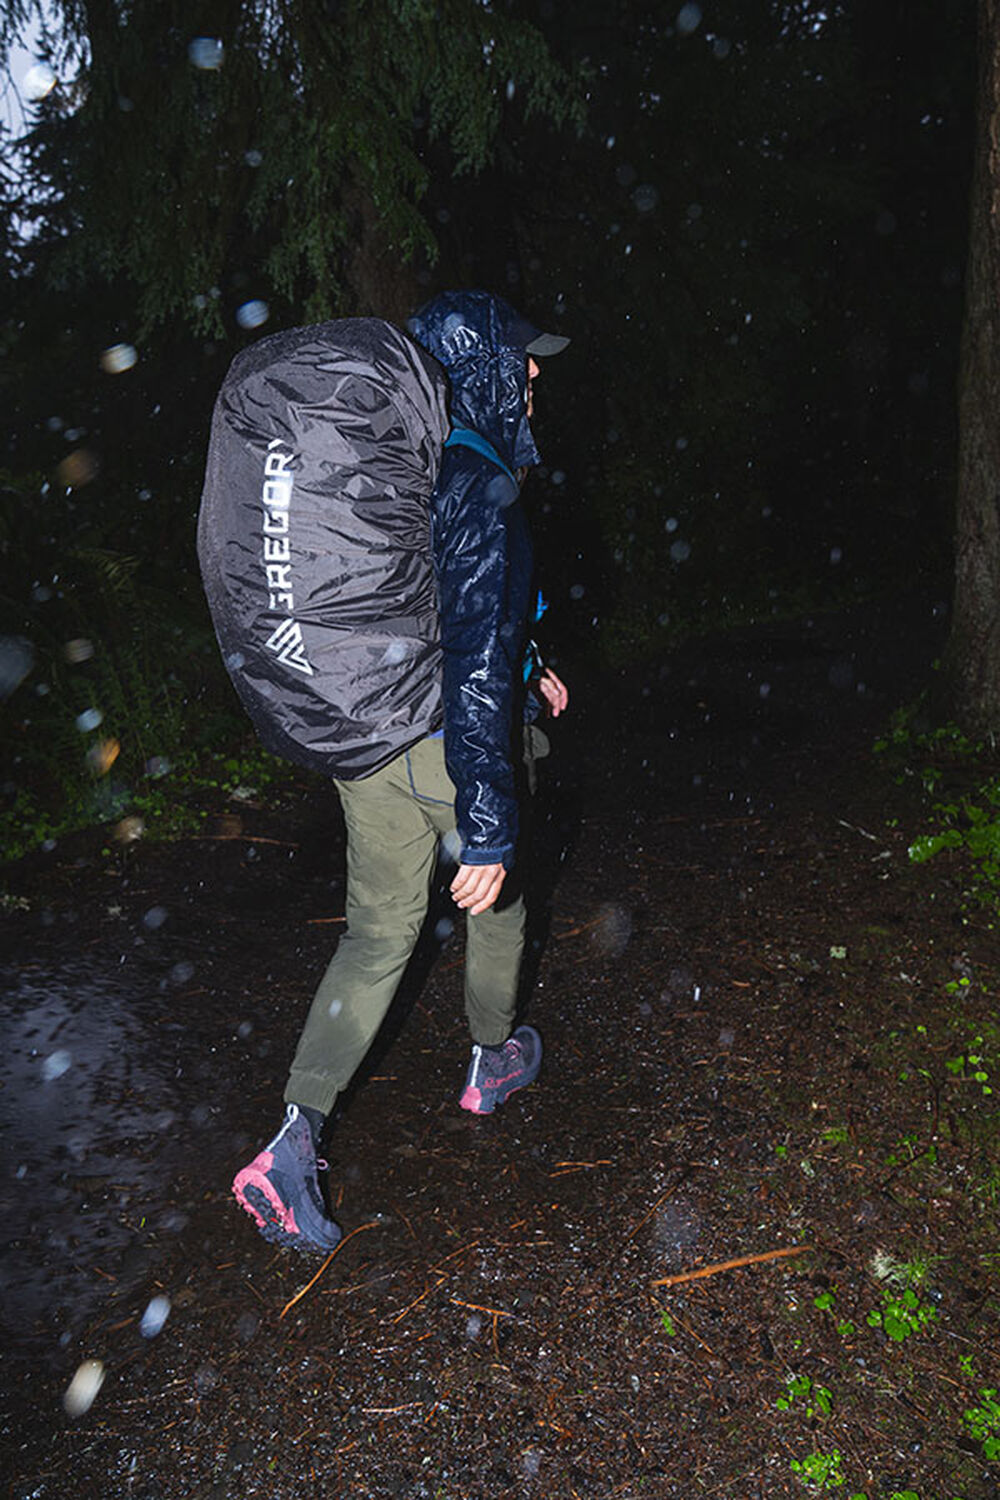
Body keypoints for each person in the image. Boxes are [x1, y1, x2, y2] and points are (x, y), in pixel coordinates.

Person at [232, 291, 569, 1253]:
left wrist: (531, 665)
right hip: (448, 743)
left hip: (371, 739)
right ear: (486, 369)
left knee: (377, 935)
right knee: (496, 901)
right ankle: (492, 1060)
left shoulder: (393, 463)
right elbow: (472, 655)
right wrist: (490, 821)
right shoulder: (477, 477)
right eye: (522, 358)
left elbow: (428, 608)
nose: (535, 373)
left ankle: (292, 1140)